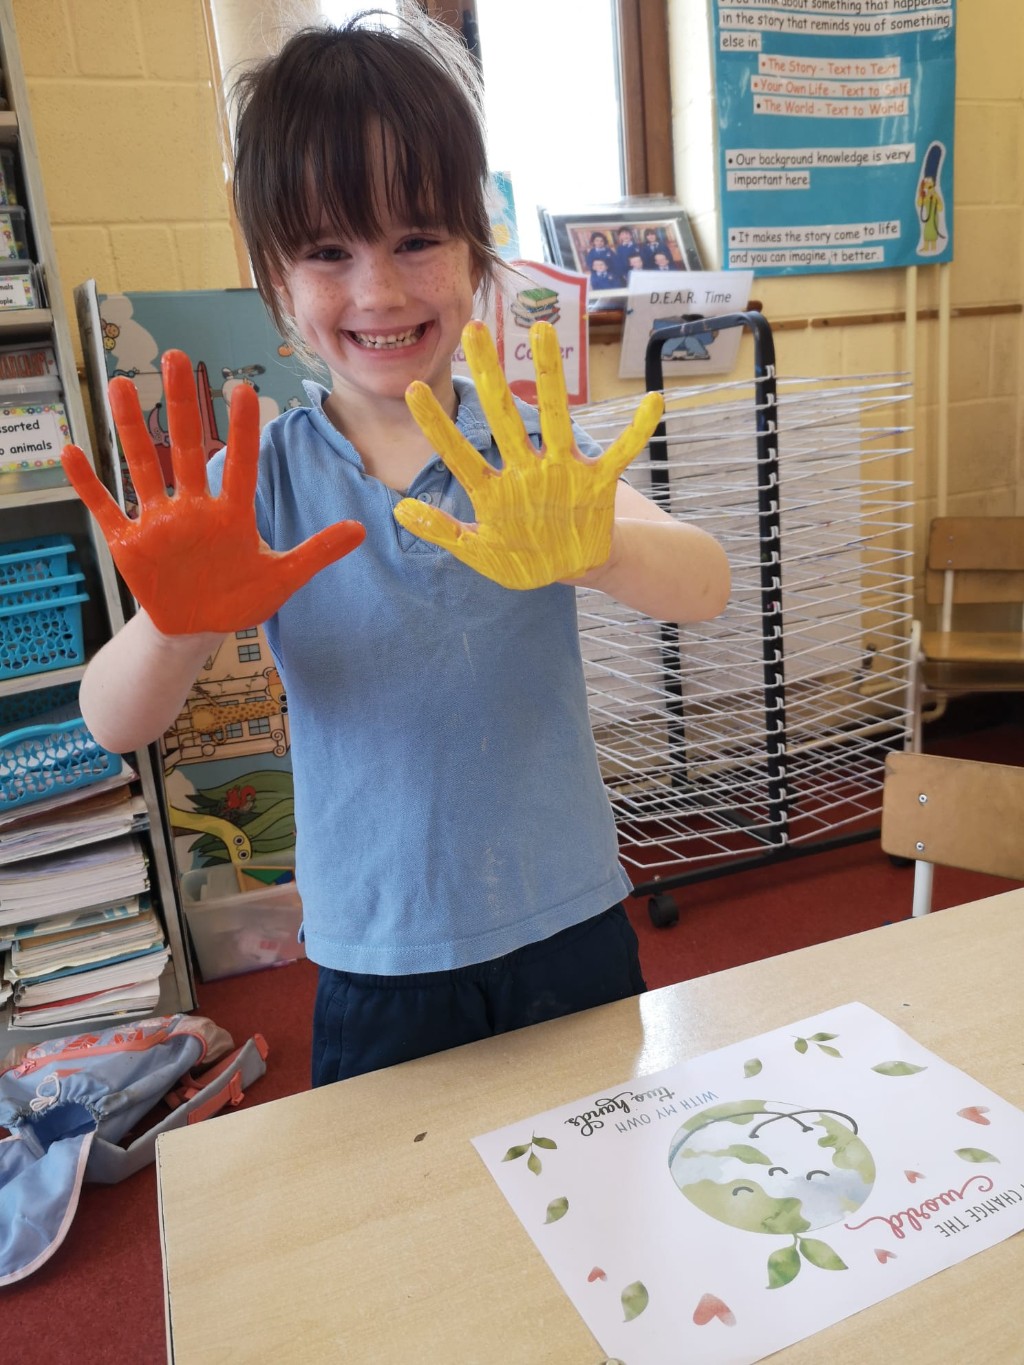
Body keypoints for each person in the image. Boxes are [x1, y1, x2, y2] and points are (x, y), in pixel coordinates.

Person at [62, 8, 730, 1088]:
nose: (378, 290)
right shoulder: (258, 481)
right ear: (275, 282)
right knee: (393, 1193)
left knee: (603, 1164)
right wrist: (177, 630)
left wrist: (597, 549)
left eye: (417, 238)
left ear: (475, 249)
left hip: (566, 919)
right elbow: (111, 720)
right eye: (329, 252)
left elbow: (706, 584)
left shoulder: (530, 456)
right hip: (378, 954)